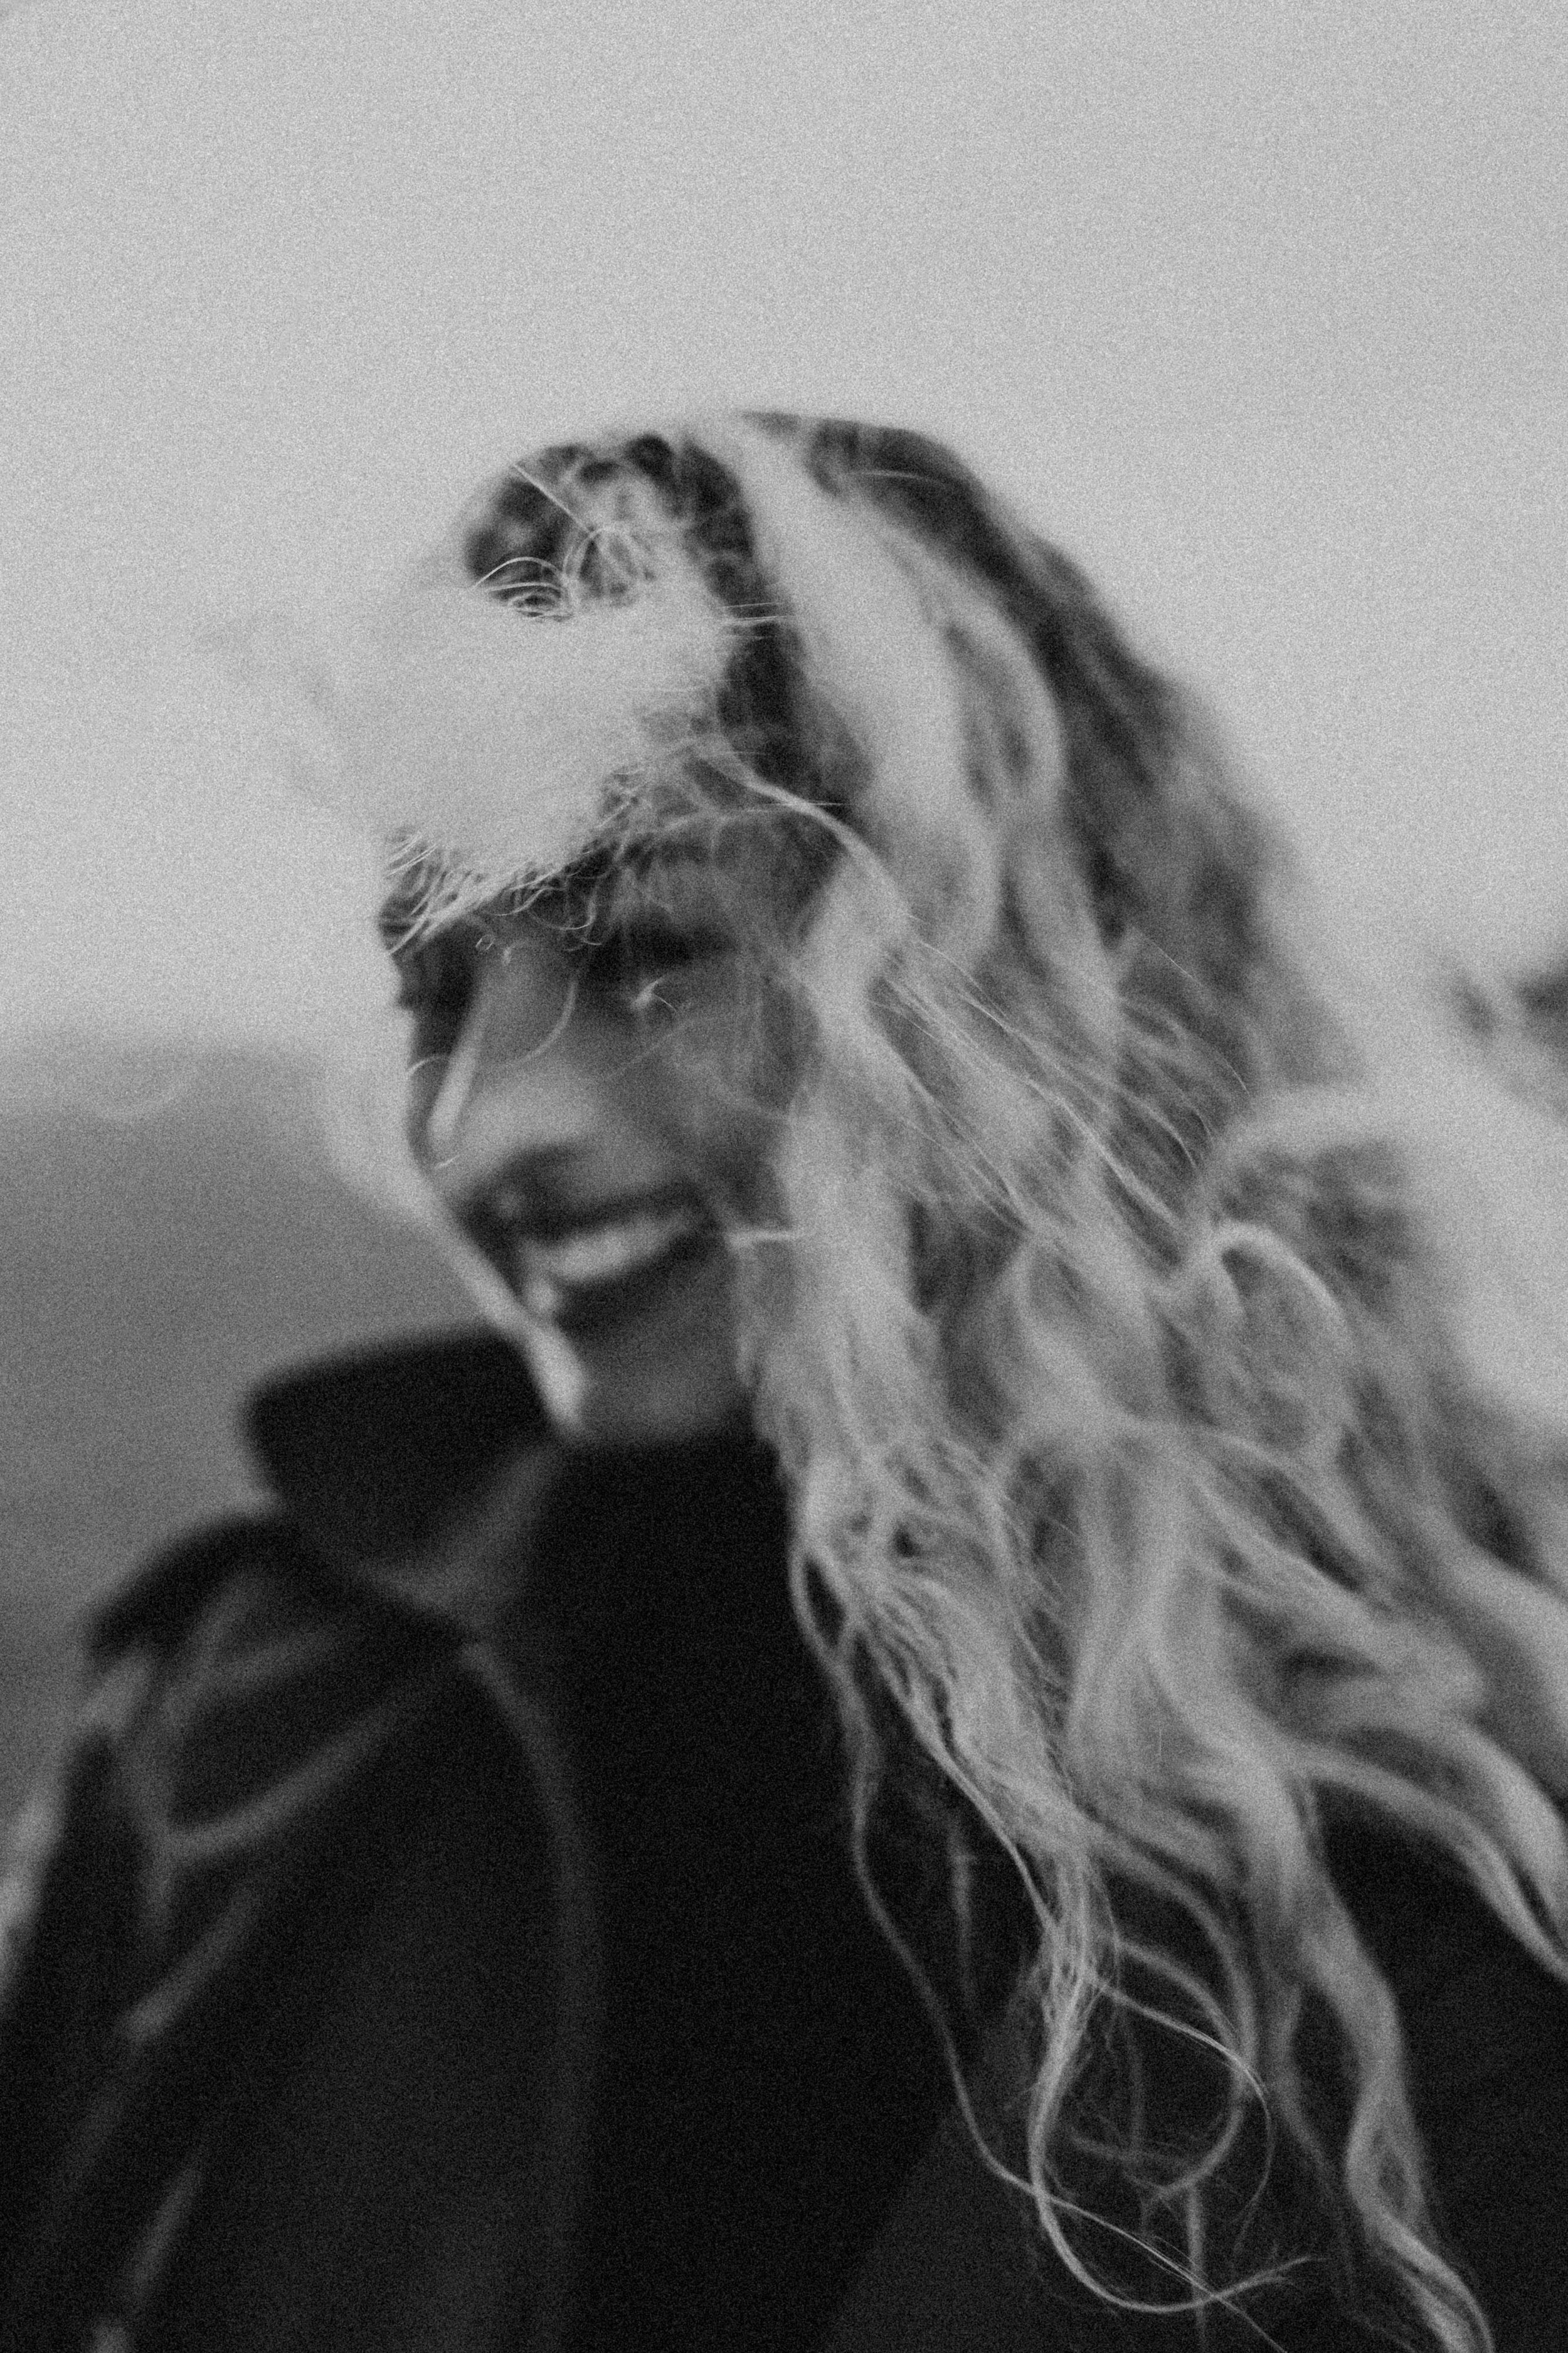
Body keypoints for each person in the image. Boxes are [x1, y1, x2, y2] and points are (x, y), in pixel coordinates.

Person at [3, 413, 1567, 2353]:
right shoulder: (237, 1719)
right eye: (437, 993)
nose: (483, 1135)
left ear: (1013, 997)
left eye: (643, 958)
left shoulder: (1441, 1822)